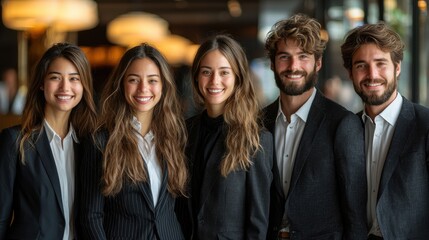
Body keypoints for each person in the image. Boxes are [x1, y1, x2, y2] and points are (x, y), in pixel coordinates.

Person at [263, 13, 367, 239]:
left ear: (317, 63)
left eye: (303, 56)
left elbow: (355, 211)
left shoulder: (342, 124)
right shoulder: (258, 122)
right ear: (272, 64)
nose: (293, 66)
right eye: (284, 57)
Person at [77, 43, 188, 239]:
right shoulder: (100, 141)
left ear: (163, 85)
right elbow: (90, 216)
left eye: (152, 80)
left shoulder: (174, 136)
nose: (143, 88)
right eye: (134, 80)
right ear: (121, 84)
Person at [178, 34, 273, 239]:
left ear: (238, 77)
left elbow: (258, 221)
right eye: (206, 72)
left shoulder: (256, 139)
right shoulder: (183, 132)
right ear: (196, 77)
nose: (214, 81)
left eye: (224, 72)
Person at [341, 22, 429, 239]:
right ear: (350, 73)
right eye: (361, 65)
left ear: (397, 67)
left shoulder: (425, 125)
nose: (372, 75)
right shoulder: (345, 129)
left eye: (381, 63)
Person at [0, 43, 97, 239]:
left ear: (84, 85)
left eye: (74, 78)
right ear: (42, 83)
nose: (65, 87)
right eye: (55, 77)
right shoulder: (15, 141)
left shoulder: (92, 144)